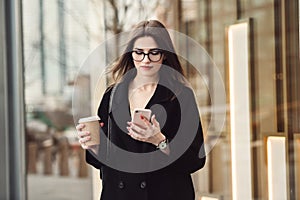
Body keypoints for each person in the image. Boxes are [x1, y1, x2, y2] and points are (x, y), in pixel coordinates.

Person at [76, 20, 206, 200]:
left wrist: (159, 141)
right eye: (139, 53)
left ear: (165, 55)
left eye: (154, 53)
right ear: (130, 54)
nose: (146, 60)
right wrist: (93, 146)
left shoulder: (180, 96)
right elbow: (104, 160)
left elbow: (196, 159)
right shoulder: (112, 95)